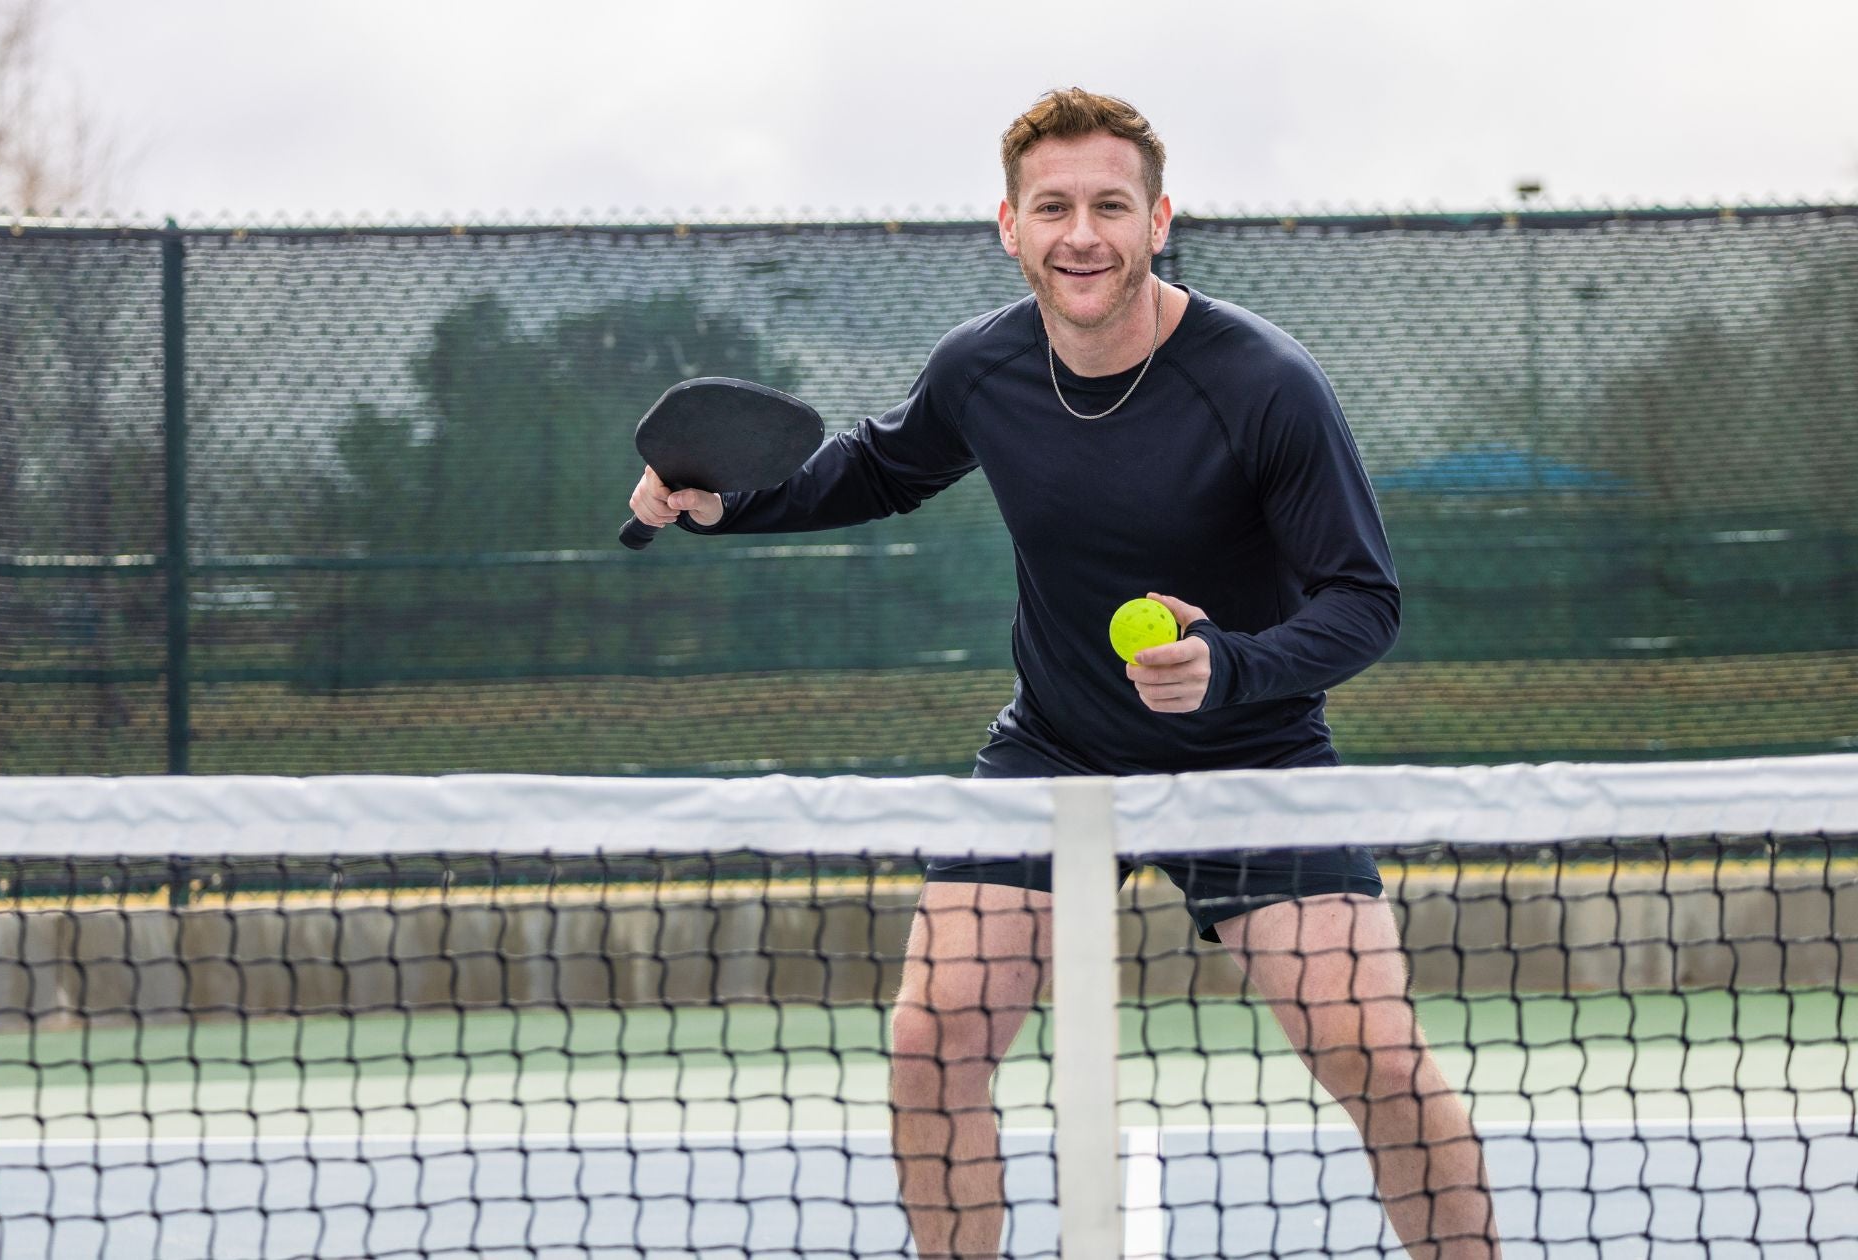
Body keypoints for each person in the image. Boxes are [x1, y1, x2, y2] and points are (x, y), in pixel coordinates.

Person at [628, 88, 1500, 1260]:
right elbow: (871, 471)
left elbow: (1363, 602)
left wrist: (1231, 668)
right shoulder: (980, 368)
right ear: (1008, 225)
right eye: (1052, 207)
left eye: (1107, 206)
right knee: (930, 1045)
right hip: (1055, 747)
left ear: (1156, 220)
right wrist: (716, 507)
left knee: (1380, 1063)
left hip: (1252, 756)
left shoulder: (1262, 384)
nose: (1079, 233)